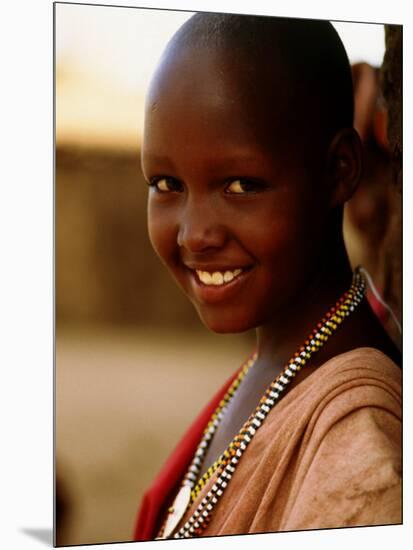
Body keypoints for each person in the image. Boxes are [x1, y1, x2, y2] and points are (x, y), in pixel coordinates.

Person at [133, 12, 401, 540]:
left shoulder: (359, 459)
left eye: (240, 186)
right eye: (166, 183)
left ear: (339, 170)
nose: (193, 234)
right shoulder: (277, 359)